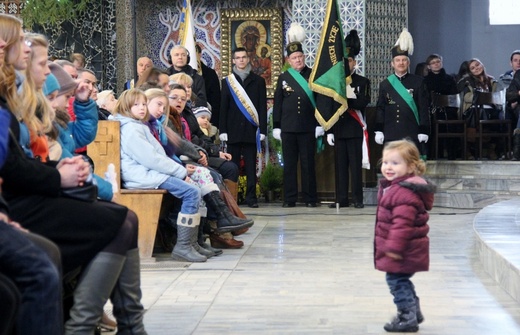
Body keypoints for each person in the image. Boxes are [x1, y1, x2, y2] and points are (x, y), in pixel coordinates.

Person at [0, 14, 147, 334]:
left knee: (121, 218)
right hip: (20, 199)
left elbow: (25, 160)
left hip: (23, 193)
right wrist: (60, 176)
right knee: (116, 221)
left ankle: (127, 323)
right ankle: (86, 325)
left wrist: (62, 170)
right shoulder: (13, 105)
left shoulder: (19, 103)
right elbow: (12, 166)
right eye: (22, 43)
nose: (26, 51)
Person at [112, 89, 253, 261]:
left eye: (143, 104)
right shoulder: (132, 129)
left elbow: (159, 156)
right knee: (191, 192)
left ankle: (193, 242)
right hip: (143, 176)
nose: (142, 108)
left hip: (151, 173)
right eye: (136, 105)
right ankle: (184, 245)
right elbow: (151, 159)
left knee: (194, 188)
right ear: (126, 107)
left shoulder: (138, 126)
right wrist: (181, 171)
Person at [375, 139, 435, 333]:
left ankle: (407, 316)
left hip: (403, 249)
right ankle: (413, 311)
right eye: (385, 162)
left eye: (395, 163)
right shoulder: (396, 188)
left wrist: (393, 248)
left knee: (396, 281)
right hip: (406, 249)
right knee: (401, 280)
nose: (388, 167)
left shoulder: (404, 193)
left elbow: (402, 225)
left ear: (410, 167)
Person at [272, 38, 321, 208]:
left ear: (304, 56)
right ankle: (290, 198)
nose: (298, 60)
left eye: (300, 56)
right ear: (289, 60)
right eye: (294, 58)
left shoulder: (313, 75)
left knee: (308, 164)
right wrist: (277, 125)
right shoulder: (284, 77)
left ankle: (310, 198)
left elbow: (320, 100)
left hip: (308, 127)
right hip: (288, 128)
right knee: (290, 165)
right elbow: (278, 103)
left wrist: (319, 124)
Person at [327, 30, 370, 208]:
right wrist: (329, 130)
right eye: (344, 61)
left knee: (355, 166)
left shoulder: (362, 81)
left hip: (354, 128)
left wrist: (348, 94)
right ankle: (341, 199)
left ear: (354, 62)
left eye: (350, 60)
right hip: (338, 129)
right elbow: (330, 106)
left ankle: (358, 199)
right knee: (340, 167)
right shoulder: (334, 82)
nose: (347, 63)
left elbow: (362, 103)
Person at [220, 47, 267, 208]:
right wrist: (223, 130)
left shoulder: (258, 81)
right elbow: (223, 108)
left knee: (250, 168)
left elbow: (262, 108)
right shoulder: (227, 82)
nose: (241, 60)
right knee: (231, 168)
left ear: (248, 59)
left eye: (243, 57)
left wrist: (263, 131)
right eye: (238, 57)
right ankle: (232, 198)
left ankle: (251, 198)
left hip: (251, 131)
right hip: (232, 131)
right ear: (233, 60)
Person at [375, 29, 429, 156]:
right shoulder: (385, 84)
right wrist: (378, 130)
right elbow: (380, 108)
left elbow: (423, 107)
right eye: (398, 60)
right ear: (392, 64)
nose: (401, 63)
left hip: (412, 131)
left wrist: (424, 130)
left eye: (404, 60)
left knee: (411, 167)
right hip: (390, 132)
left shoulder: (418, 82)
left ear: (408, 63)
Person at [458, 58, 501, 159]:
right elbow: (466, 97)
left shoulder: (492, 80)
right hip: (472, 108)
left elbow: (497, 96)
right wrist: (482, 97)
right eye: (473, 68)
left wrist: (485, 98)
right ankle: (470, 148)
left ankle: (490, 148)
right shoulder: (466, 81)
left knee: (496, 114)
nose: (476, 68)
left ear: (482, 65)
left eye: (477, 65)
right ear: (470, 71)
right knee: (478, 112)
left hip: (491, 108)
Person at [423, 54, 459, 159]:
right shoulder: (425, 81)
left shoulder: (450, 79)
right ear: (429, 66)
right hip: (432, 111)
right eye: (433, 63)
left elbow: (454, 96)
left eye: (438, 62)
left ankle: (452, 154)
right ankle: (434, 155)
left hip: (448, 111)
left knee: (451, 122)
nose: (436, 64)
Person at [195, 44, 221, 124]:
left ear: (200, 54)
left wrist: (214, 123)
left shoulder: (210, 74)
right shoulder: (181, 75)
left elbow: (216, 101)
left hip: (207, 120)